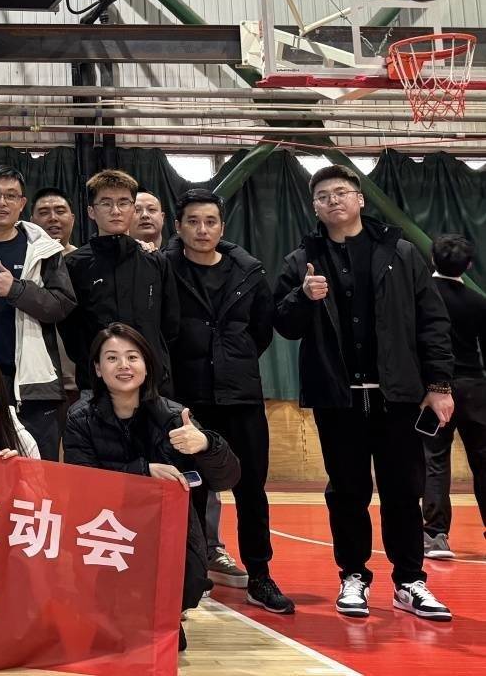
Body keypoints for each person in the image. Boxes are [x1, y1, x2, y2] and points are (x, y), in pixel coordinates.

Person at [274, 163, 454, 621]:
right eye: (323, 196)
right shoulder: (301, 259)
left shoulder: (401, 252)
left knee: (403, 491)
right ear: (314, 207)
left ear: (360, 199)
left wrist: (438, 385)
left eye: (341, 192)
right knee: (347, 492)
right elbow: (284, 325)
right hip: (337, 398)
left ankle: (409, 581)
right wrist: (302, 296)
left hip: (398, 396)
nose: (333, 200)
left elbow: (432, 322)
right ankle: (353, 575)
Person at [64, 324, 241, 652]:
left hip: (163, 531)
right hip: (105, 528)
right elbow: (81, 483)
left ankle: (164, 611)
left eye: (132, 357)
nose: (123, 365)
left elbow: (227, 478)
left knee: (189, 584)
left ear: (147, 365)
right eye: (112, 358)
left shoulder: (173, 417)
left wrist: (206, 444)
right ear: (98, 369)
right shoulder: (80, 419)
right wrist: (143, 472)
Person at [164, 189, 293, 614]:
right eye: (193, 221)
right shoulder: (164, 268)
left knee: (251, 489)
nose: (202, 230)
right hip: (187, 399)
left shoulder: (248, 271)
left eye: (210, 221)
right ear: (178, 226)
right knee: (191, 489)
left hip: (240, 397)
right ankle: (192, 576)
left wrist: (230, 360)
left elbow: (260, 331)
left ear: (222, 226)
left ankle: (260, 575)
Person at [0, 165, 75, 459]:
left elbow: (61, 305)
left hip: (33, 386)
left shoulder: (45, 250)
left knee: (37, 473)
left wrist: (16, 290)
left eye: (11, 195)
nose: (2, 202)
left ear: (22, 203)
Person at [63, 169, 179, 395]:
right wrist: (96, 365)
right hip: (97, 384)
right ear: (91, 211)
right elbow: (70, 330)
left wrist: (156, 361)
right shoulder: (74, 264)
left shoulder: (155, 261)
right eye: (106, 203)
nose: (115, 211)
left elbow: (170, 325)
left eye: (123, 203)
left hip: (152, 383)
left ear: (133, 209)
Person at [422, 233, 486, 560]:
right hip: (475, 387)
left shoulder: (423, 297)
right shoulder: (478, 302)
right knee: (484, 462)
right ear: (469, 265)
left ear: (432, 259)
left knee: (434, 460)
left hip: (435, 388)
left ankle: (435, 535)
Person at [30, 186, 76, 250]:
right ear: (32, 222)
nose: (53, 218)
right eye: (44, 212)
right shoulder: (23, 255)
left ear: (72, 219)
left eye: (60, 211)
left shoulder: (86, 255)